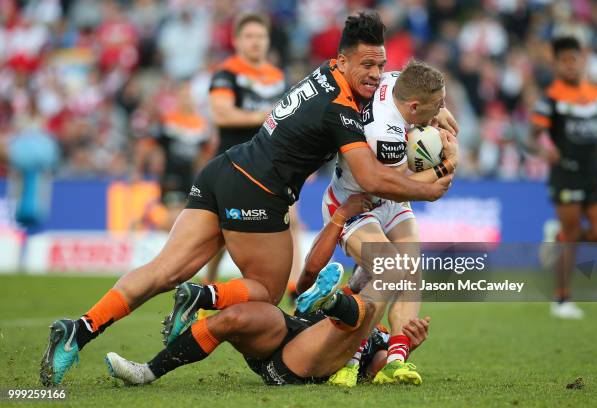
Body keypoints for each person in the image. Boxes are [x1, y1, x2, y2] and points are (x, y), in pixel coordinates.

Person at [40, 11, 452, 386]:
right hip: (258, 191)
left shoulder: (328, 74)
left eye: (380, 64)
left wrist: (433, 113)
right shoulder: (339, 109)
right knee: (267, 293)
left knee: (162, 270)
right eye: (367, 65)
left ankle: (80, 328)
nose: (377, 74)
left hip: (223, 170)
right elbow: (367, 175)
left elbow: (399, 94)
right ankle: (202, 298)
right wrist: (427, 188)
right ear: (342, 61)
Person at [104, 195, 432, 386]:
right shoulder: (356, 272)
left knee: (362, 313)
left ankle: (333, 304)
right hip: (290, 329)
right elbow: (308, 273)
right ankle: (146, 371)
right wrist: (342, 216)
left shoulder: (385, 328)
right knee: (234, 319)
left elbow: (374, 370)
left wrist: (405, 349)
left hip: (304, 360)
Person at [307, 61, 458, 386]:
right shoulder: (384, 135)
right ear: (413, 106)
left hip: (386, 201)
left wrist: (437, 112)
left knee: (410, 269)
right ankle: (350, 357)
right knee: (390, 269)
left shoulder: (396, 83)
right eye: (436, 105)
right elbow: (403, 184)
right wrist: (448, 163)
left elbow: (415, 81)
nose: (440, 111)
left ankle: (395, 359)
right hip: (356, 205)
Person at [203, 12, 292, 286]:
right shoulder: (226, 73)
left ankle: (293, 289)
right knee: (220, 234)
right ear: (236, 40)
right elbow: (221, 115)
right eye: (249, 36)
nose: (256, 42)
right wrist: (265, 115)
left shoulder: (278, 77)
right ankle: (209, 284)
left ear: (268, 41)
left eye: (261, 36)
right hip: (232, 162)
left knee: (291, 221)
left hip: (270, 165)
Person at [528, 36, 597, 319]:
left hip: (594, 175)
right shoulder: (551, 98)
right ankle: (562, 300)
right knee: (573, 240)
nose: (570, 65)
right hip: (566, 175)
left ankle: (559, 235)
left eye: (573, 59)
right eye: (563, 61)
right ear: (556, 65)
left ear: (582, 61)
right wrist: (545, 150)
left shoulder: (595, 95)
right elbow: (534, 137)